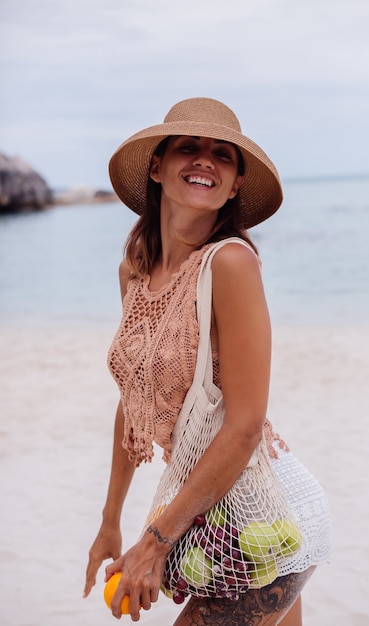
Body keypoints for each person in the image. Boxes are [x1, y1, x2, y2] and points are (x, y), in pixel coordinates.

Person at [83, 97, 331, 625]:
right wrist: (111, 518)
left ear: (236, 183)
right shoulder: (135, 271)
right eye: (188, 148)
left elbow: (243, 427)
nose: (205, 161)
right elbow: (135, 402)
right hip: (208, 517)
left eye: (222, 155)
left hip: (265, 512)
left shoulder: (232, 264)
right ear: (157, 166)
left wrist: (153, 542)